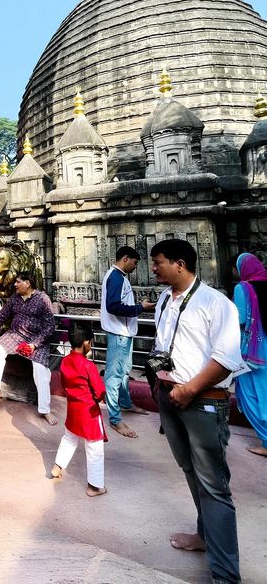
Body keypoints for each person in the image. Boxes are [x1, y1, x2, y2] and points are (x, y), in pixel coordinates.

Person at [150, 239, 242, 584]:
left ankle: (226, 575)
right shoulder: (164, 299)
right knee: (191, 471)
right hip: (169, 396)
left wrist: (189, 389)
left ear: (180, 264)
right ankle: (206, 537)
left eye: (159, 262)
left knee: (214, 486)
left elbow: (226, 359)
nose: (154, 268)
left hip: (202, 401)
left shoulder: (216, 304)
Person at [0, 271, 59, 425]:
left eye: (18, 282)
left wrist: (34, 344)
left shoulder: (43, 299)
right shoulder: (14, 299)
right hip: (15, 335)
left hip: (37, 340)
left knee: (40, 369)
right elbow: (1, 317)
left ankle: (45, 410)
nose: (15, 284)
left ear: (27, 283)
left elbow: (50, 326)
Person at [100, 245, 154, 438]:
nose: (135, 266)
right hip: (118, 333)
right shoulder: (115, 276)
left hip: (124, 332)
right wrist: (141, 307)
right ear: (125, 258)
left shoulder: (119, 276)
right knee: (114, 376)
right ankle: (115, 419)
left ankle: (125, 403)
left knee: (124, 371)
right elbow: (113, 306)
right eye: (134, 262)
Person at [51, 322, 107, 497]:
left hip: (73, 408)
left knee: (69, 437)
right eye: (90, 342)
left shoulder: (65, 361)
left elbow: (65, 383)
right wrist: (99, 397)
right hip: (89, 411)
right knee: (94, 447)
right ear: (85, 343)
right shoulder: (88, 366)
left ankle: (58, 466)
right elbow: (99, 391)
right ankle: (95, 486)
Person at [232, 252, 267, 457]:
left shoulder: (242, 288)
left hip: (252, 353)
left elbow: (241, 318)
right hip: (264, 347)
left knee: (251, 396)